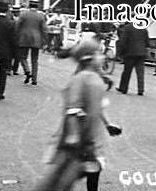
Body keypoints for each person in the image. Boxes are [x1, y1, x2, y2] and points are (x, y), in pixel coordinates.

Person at [36, 37, 121, 191]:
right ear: (89, 58)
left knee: (90, 171)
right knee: (61, 180)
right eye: (99, 54)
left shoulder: (95, 79)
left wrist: (108, 124)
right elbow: (73, 109)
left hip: (91, 138)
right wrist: (74, 136)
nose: (103, 57)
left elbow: (98, 106)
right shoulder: (81, 79)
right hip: (79, 139)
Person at [17, 0, 45, 86]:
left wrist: (17, 36)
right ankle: (34, 79)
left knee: (22, 57)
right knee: (35, 60)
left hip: (24, 38)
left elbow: (17, 26)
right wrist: (44, 40)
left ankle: (27, 70)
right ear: (37, 6)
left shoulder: (23, 14)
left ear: (29, 5)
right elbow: (44, 29)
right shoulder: (41, 16)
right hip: (36, 40)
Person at [116, 20, 148, 95]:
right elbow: (147, 42)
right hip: (141, 53)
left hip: (130, 53)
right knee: (140, 72)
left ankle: (123, 88)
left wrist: (120, 52)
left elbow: (123, 41)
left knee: (127, 72)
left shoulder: (127, 28)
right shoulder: (143, 28)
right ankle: (141, 90)